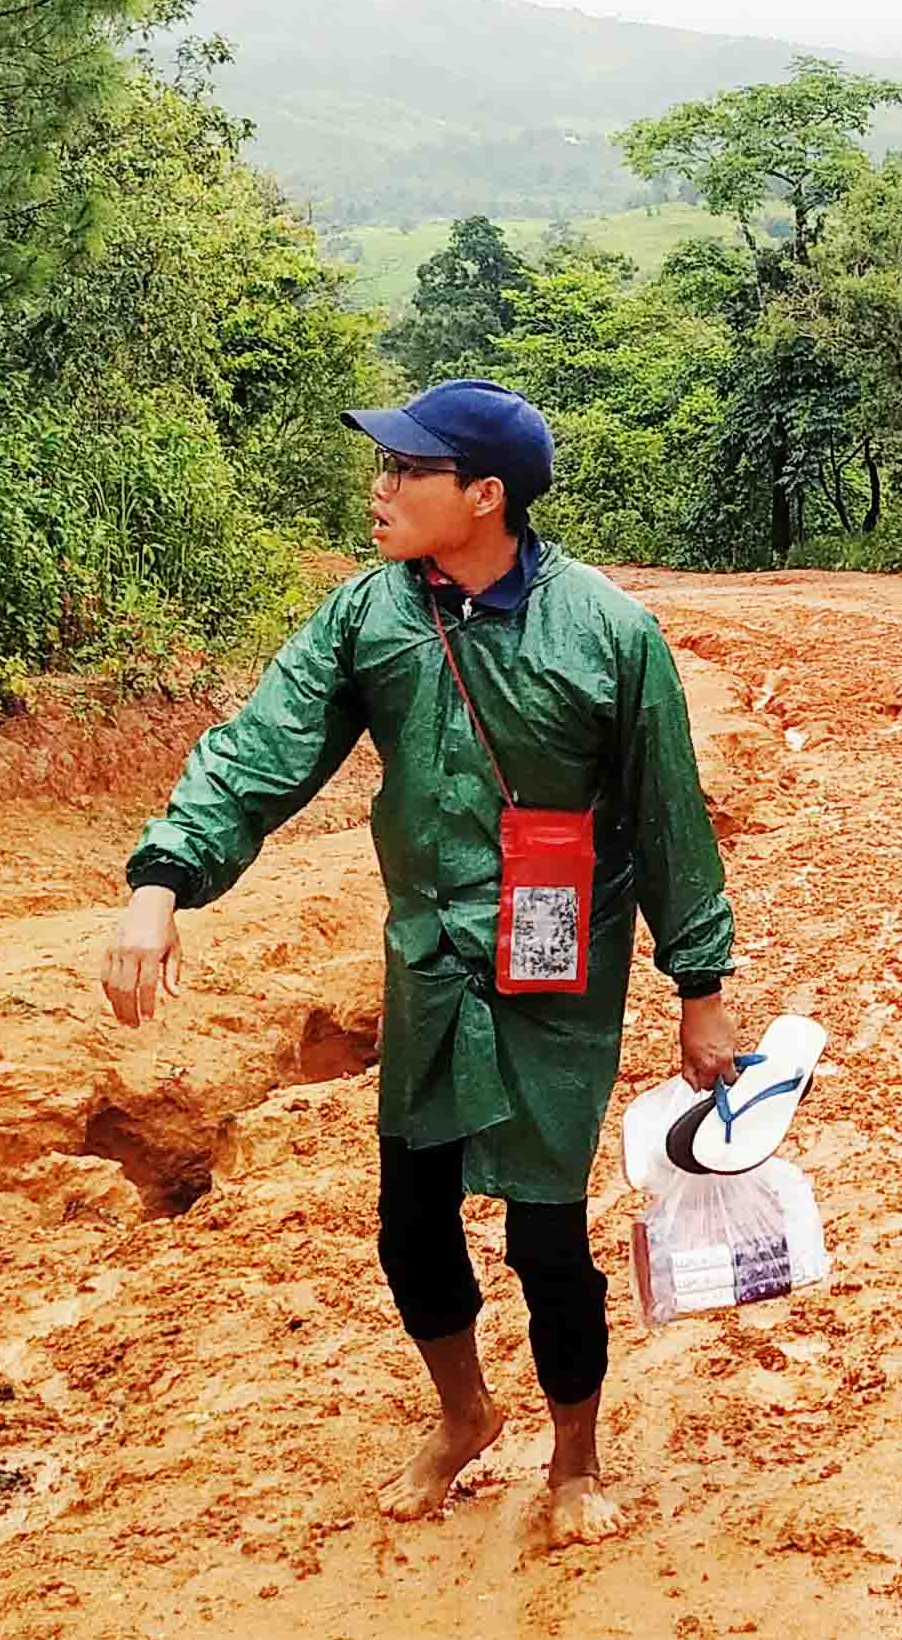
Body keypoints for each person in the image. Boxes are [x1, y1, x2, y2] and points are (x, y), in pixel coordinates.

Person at [100, 379, 738, 1550]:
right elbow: (262, 749)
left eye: (407, 471)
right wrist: (161, 883)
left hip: (555, 967)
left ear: (485, 495)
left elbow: (665, 820)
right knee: (412, 1220)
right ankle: (464, 1416)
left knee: (545, 1235)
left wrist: (699, 991)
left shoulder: (608, 633)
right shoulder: (368, 618)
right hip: (432, 964)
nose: (378, 489)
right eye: (382, 467)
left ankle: (578, 1459)